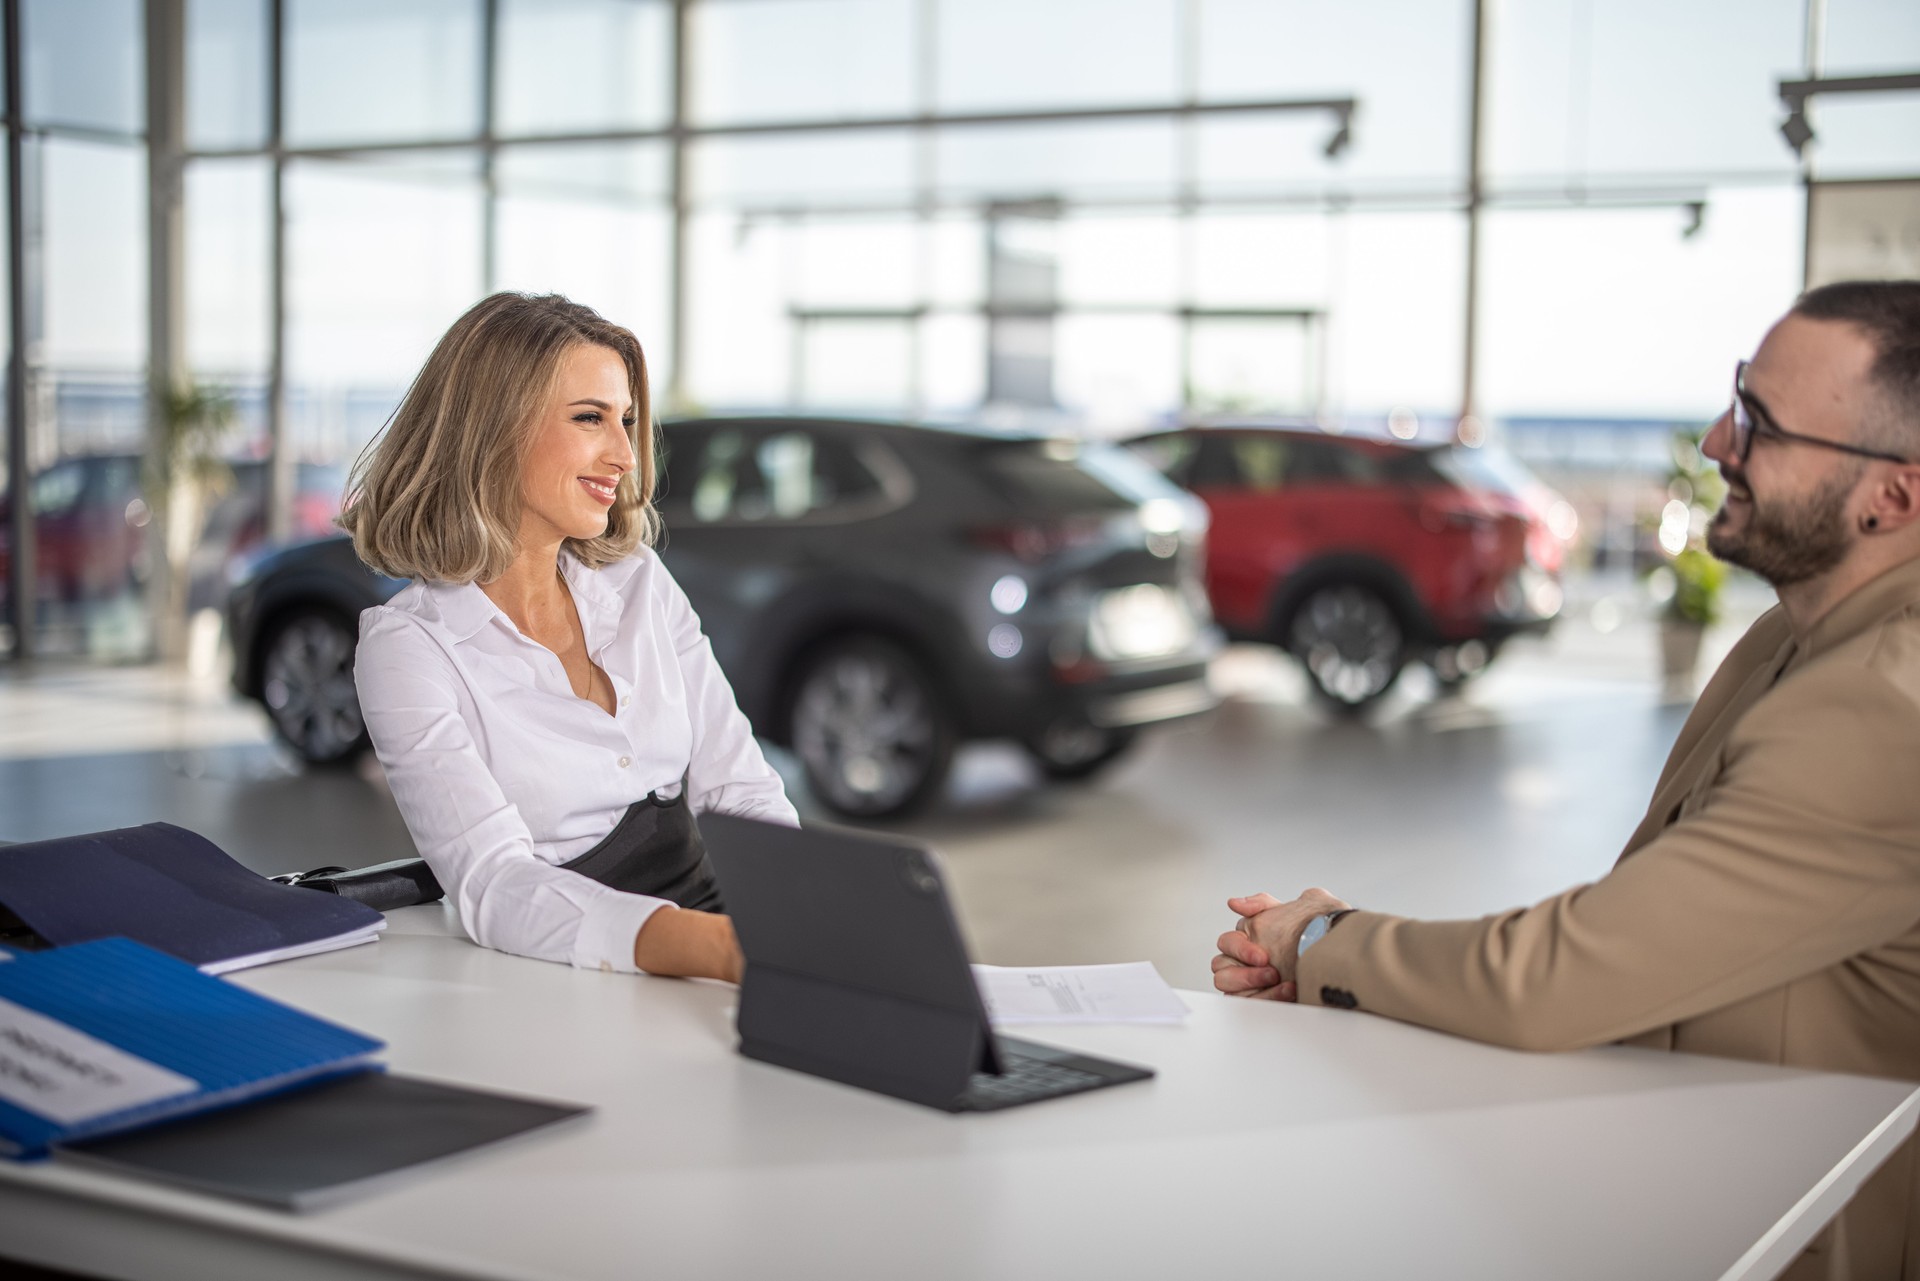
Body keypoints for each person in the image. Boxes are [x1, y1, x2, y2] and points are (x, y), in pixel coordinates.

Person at [1212, 280, 1920, 1281]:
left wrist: (1328, 942)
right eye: (1736, 398)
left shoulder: (1883, 705)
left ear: (1894, 496)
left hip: (1793, 1232)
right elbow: (1656, 941)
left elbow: (1566, 975)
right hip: (1699, 1167)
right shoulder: (1791, 638)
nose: (1719, 442)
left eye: (1761, 422)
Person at [340, 292, 797, 984]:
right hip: (569, 974)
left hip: (724, 936)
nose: (622, 454)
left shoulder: (639, 580)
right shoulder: (408, 648)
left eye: (627, 422)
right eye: (590, 419)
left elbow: (741, 787)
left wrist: (808, 917)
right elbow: (493, 881)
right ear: (493, 430)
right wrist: (719, 950)